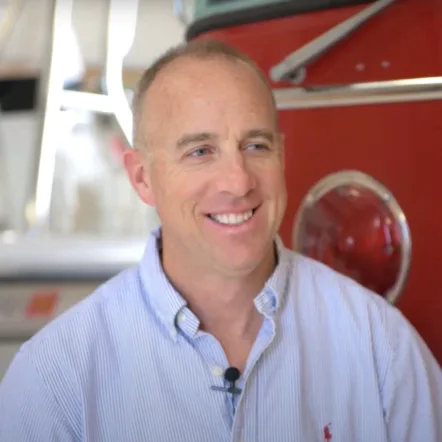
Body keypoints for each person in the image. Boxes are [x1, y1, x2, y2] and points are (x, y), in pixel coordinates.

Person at [0, 39, 441, 442]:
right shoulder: (56, 378)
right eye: (199, 151)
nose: (237, 181)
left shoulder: (379, 344)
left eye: (255, 146)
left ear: (281, 155)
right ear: (142, 178)